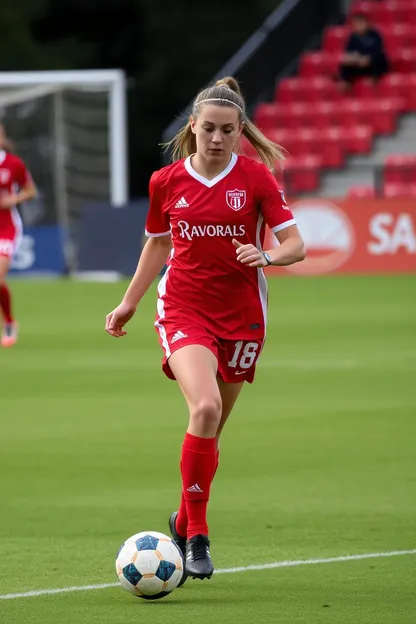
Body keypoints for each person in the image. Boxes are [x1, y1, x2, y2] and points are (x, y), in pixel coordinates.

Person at [105, 77, 305, 582]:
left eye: (228, 131)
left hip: (242, 317)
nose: (217, 138)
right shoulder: (165, 181)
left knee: (211, 429)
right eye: (208, 128)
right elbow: (157, 243)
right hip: (184, 308)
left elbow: (296, 244)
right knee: (206, 406)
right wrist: (129, 302)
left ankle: (181, 515)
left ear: (241, 133)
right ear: (191, 127)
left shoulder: (256, 179)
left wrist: (267, 255)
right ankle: (197, 535)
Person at [0, 124, 37, 348]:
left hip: (6, 228)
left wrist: (12, 200)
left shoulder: (13, 164)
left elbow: (30, 190)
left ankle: (10, 322)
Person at [339, 12, 389, 91]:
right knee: (345, 62)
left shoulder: (375, 35)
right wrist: (354, 59)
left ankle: (374, 78)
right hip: (359, 63)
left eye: (360, 23)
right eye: (355, 24)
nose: (358, 26)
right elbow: (348, 53)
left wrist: (367, 59)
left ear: (366, 23)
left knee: (377, 58)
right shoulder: (353, 37)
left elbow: (378, 51)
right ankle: (345, 82)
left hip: (373, 64)